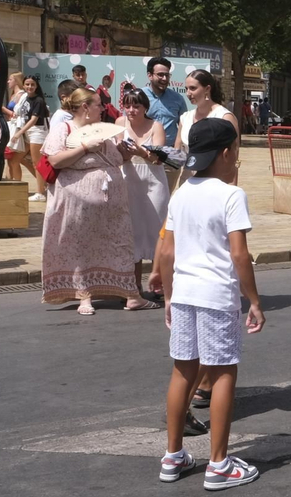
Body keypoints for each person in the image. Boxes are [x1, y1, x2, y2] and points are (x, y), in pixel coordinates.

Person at [154, 117, 264, 489]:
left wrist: (168, 296)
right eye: (235, 151)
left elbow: (167, 251)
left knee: (182, 370)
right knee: (222, 373)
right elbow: (239, 254)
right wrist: (254, 300)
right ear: (226, 152)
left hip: (184, 292)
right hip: (217, 294)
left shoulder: (181, 192)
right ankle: (219, 463)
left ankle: (173, 455)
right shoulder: (231, 195)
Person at [41, 87, 149, 315]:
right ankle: (84, 296)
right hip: (76, 202)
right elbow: (55, 160)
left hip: (111, 205)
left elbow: (115, 159)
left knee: (119, 244)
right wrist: (83, 147)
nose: (103, 108)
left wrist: (124, 152)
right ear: (85, 107)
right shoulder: (64, 128)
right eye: (99, 104)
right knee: (80, 247)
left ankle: (130, 294)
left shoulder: (100, 129)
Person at [119, 87, 171, 306]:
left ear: (145, 108)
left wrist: (139, 151)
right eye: (128, 105)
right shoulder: (119, 124)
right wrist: (123, 153)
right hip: (128, 180)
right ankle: (134, 285)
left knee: (158, 231)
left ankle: (161, 281)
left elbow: (159, 159)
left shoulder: (156, 126)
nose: (131, 110)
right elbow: (114, 153)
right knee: (133, 232)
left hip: (153, 181)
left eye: (136, 106)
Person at [176, 69, 237, 187]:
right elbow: (177, 152)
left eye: (193, 88)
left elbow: (233, 157)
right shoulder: (185, 117)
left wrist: (231, 188)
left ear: (207, 89)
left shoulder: (224, 117)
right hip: (188, 181)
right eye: (186, 89)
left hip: (216, 182)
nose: (188, 93)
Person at [11, 77, 50, 200]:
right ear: (23, 85)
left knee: (37, 163)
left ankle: (40, 193)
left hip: (37, 132)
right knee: (16, 159)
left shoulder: (38, 100)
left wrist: (19, 133)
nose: (29, 87)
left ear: (36, 86)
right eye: (27, 84)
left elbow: (34, 120)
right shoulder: (25, 98)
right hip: (27, 132)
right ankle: (43, 184)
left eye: (32, 84)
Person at [142, 56, 189, 146]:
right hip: (144, 151)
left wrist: (177, 150)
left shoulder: (178, 99)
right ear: (150, 75)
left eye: (167, 75)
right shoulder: (139, 97)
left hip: (170, 152)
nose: (164, 79)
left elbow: (184, 127)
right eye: (160, 75)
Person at [2, 72, 28, 183]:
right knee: (10, 159)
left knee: (15, 161)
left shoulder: (22, 95)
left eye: (10, 79)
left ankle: (17, 183)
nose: (8, 82)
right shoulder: (13, 94)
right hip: (11, 128)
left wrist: (2, 109)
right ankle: (9, 182)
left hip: (18, 130)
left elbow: (16, 114)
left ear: (16, 81)